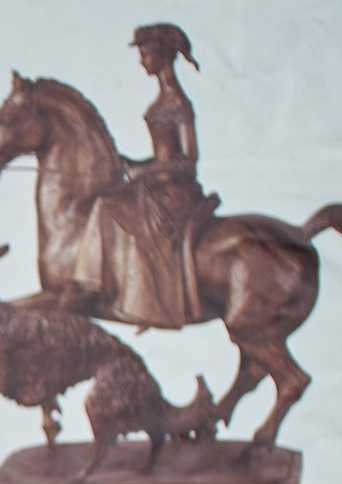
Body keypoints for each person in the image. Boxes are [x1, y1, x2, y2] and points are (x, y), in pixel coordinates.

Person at [76, 23, 215, 329]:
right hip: (157, 185)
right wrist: (133, 163)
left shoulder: (178, 103)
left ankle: (106, 290)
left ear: (162, 56)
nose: (141, 61)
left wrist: (145, 170)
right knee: (107, 197)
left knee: (106, 205)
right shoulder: (161, 102)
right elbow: (165, 157)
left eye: (145, 54)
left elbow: (189, 161)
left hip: (176, 193)